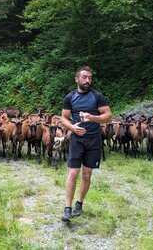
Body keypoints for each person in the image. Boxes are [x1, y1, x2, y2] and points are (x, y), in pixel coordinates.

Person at [61, 65, 112, 222]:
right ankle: (67, 208)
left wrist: (92, 117)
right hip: (77, 140)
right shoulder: (69, 97)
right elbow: (63, 117)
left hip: (94, 140)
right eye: (84, 77)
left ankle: (79, 204)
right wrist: (72, 127)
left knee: (87, 174)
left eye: (90, 78)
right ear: (77, 79)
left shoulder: (97, 97)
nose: (87, 80)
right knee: (73, 173)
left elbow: (108, 115)